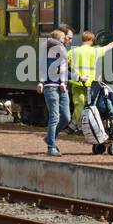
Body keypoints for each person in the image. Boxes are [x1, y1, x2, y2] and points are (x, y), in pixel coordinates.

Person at [68, 30, 113, 125]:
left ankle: (74, 125)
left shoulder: (72, 52)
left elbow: (62, 66)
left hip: (76, 83)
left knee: (79, 104)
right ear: (91, 40)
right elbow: (110, 46)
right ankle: (88, 125)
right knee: (90, 106)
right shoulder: (94, 51)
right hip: (90, 84)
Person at [41, 28, 70, 156]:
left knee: (66, 117)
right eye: (63, 38)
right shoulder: (48, 51)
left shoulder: (62, 52)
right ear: (57, 39)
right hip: (51, 87)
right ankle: (51, 147)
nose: (66, 40)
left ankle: (49, 138)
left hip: (62, 88)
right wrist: (41, 82)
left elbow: (64, 71)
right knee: (54, 117)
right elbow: (45, 68)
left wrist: (77, 78)